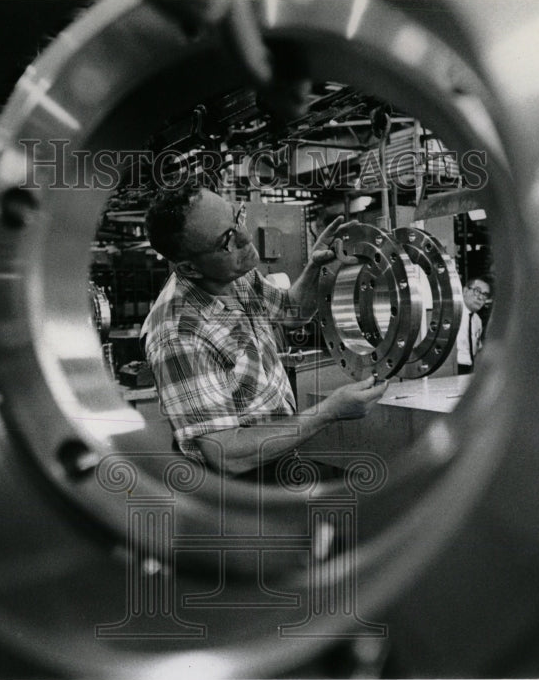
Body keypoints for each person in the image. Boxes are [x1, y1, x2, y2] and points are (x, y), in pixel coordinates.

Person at [142, 184, 388, 476]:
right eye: (228, 240)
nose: (246, 238)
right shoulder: (177, 334)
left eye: (237, 217)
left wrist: (316, 265)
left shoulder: (235, 275)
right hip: (236, 487)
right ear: (191, 269)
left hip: (277, 455)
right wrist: (329, 411)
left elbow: (291, 311)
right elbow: (226, 455)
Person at [455, 277, 493, 375]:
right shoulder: (453, 315)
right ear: (465, 291)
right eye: (477, 291)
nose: (480, 298)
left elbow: (477, 349)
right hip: (453, 368)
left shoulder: (477, 320)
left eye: (485, 295)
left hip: (469, 369)